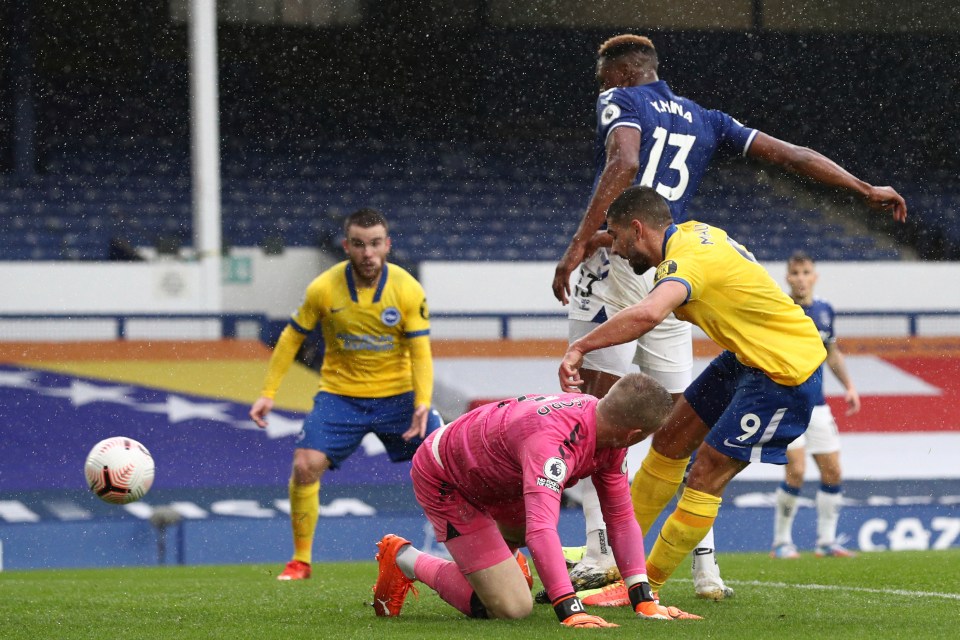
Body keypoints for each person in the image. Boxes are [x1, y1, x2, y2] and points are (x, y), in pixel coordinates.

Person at [550, 33, 907, 599]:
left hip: (652, 279)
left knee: (597, 417)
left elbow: (624, 159)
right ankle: (698, 567)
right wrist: (860, 187)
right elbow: (791, 155)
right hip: (670, 268)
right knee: (671, 434)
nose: (602, 89)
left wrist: (580, 248)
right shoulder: (704, 120)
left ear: (619, 74)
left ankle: (603, 557)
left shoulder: (620, 101)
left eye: (603, 80)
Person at [559, 185, 851, 598]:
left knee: (705, 472)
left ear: (638, 229)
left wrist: (581, 347)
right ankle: (613, 561)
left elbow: (647, 313)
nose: (618, 251)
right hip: (745, 358)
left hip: (785, 374)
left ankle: (644, 588)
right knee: (670, 441)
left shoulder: (686, 262)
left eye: (618, 238)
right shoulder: (696, 232)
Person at [371, 373, 703, 625]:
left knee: (510, 578)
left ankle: (496, 570)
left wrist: (643, 598)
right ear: (634, 435)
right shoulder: (553, 442)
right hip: (448, 478)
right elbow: (541, 530)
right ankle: (404, 558)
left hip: (499, 479)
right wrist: (570, 609)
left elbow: (619, 516)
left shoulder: (605, 427)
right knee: (513, 608)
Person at [250, 207, 443, 581]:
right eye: (359, 244)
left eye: (374, 244)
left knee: (448, 458)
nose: (368, 253)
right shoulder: (323, 288)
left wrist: (422, 401)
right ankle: (301, 561)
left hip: (399, 397)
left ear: (387, 245)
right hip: (341, 397)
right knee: (305, 465)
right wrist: (268, 392)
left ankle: (476, 548)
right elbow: (292, 336)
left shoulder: (407, 289)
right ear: (346, 247)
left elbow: (421, 351)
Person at [771, 251, 860, 558]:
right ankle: (782, 542)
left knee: (833, 470)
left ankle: (826, 541)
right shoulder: (778, 309)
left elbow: (831, 351)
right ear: (787, 277)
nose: (801, 278)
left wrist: (848, 386)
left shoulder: (824, 310)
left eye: (806, 272)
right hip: (786, 404)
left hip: (817, 404)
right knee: (796, 470)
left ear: (815, 276)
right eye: (795, 273)